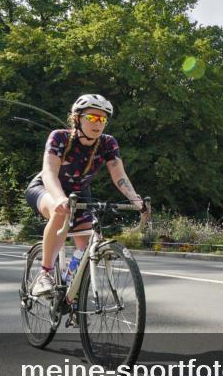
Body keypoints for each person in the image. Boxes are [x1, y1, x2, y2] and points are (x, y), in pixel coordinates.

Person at [25, 94, 147, 296]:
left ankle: (72, 296)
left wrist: (135, 199)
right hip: (46, 188)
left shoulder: (108, 143)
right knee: (61, 213)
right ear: (77, 118)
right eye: (92, 117)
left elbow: (119, 175)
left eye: (103, 119)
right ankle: (44, 274)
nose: (98, 123)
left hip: (80, 194)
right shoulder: (59, 137)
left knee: (86, 246)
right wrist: (59, 198)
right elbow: (49, 172)